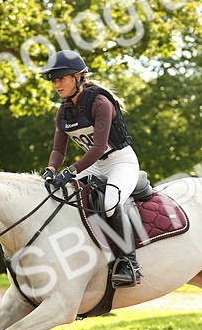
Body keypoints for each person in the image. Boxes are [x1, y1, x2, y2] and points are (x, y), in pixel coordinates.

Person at [40, 49, 142, 287]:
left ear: (78, 77)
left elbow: (98, 147)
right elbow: (59, 151)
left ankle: (129, 262)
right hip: (95, 165)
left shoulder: (100, 103)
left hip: (121, 162)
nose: (57, 84)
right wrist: (51, 169)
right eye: (54, 80)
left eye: (61, 78)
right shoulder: (63, 111)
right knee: (61, 196)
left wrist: (70, 172)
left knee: (109, 203)